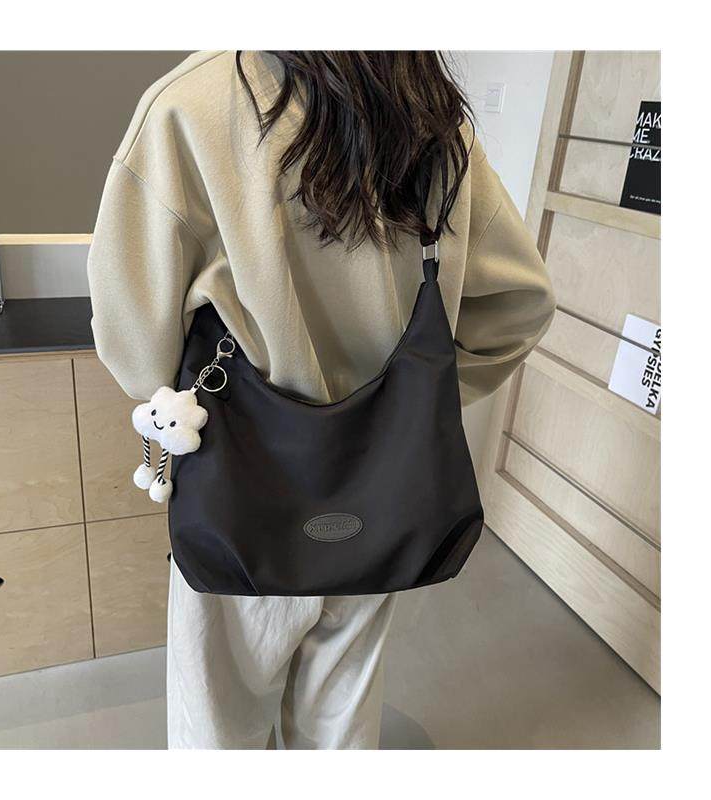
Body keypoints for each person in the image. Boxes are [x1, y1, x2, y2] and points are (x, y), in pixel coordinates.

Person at [87, 50, 555, 749]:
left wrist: (183, 393)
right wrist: (412, 404)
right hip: (382, 499)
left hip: (242, 493)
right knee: (340, 724)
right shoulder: (429, 112)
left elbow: (135, 346)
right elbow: (519, 305)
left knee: (219, 732)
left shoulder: (190, 106)